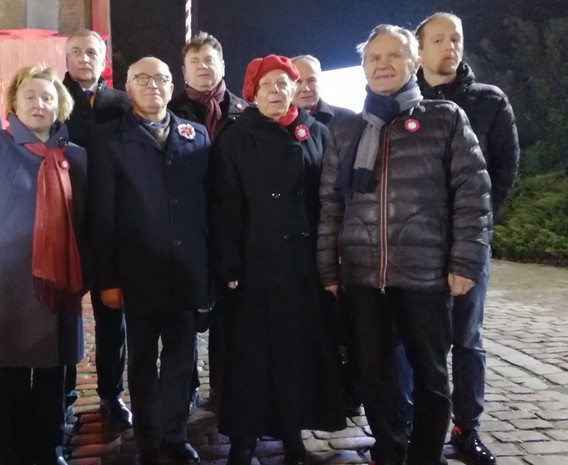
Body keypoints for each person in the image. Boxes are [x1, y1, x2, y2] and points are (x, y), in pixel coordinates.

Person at [316, 25, 492, 465]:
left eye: (393, 55)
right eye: (373, 58)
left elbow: (473, 193)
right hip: (362, 276)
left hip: (425, 275)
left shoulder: (445, 118)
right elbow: (331, 204)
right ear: (363, 68)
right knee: (372, 374)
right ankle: (390, 450)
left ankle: (425, 456)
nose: (383, 65)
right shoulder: (346, 129)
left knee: (431, 376)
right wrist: (329, 268)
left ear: (413, 63)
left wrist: (465, 261)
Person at [209, 54, 345, 465]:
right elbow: (224, 204)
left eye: (283, 84)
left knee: (294, 354)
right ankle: (244, 439)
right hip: (255, 264)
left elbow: (330, 200)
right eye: (266, 85)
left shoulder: (316, 132)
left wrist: (330, 260)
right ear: (252, 92)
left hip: (302, 266)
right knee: (250, 356)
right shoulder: (236, 136)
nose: (275, 91)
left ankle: (292, 433)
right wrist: (229, 263)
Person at [0, 66, 87, 465]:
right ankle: (13, 451)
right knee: (8, 375)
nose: (38, 104)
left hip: (57, 285)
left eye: (47, 97)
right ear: (13, 102)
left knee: (52, 372)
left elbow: (86, 223)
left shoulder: (75, 155)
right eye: (29, 95)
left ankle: (49, 447)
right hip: (4, 284)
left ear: (60, 105)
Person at [89, 56, 210, 465]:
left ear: (172, 86)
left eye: (161, 78)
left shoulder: (196, 134)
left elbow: (208, 205)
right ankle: (148, 437)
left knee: (181, 361)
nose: (153, 85)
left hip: (186, 271)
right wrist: (107, 278)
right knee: (140, 362)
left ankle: (175, 434)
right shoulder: (108, 139)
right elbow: (101, 214)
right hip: (136, 273)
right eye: (142, 78)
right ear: (128, 88)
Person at [412, 13, 518, 465]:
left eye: (455, 38)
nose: (449, 46)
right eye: (438, 40)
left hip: (469, 242)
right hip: (416, 243)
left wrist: (475, 226)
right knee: (415, 339)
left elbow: (504, 170)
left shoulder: (489, 101)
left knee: (467, 339)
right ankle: (416, 424)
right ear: (420, 50)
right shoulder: (404, 99)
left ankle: (466, 426)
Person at [167, 30, 247, 413]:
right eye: (194, 61)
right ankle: (187, 388)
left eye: (209, 60)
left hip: (233, 229)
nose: (203, 67)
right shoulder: (170, 112)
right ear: (183, 70)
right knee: (184, 316)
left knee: (230, 316)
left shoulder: (245, 113)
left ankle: (225, 387)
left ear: (222, 65)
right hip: (188, 229)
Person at [62, 28, 133, 429]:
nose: (84, 58)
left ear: (103, 58)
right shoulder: (53, 97)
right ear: (66, 58)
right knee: (63, 317)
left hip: (109, 225)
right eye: (76, 51)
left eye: (91, 52)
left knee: (111, 318)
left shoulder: (122, 103)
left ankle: (111, 394)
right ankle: (64, 397)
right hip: (64, 222)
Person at [291, 54, 361, 418]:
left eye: (312, 80)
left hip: (341, 236)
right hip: (302, 240)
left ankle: (348, 389)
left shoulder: (347, 120)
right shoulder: (279, 124)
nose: (306, 87)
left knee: (344, 323)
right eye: (298, 80)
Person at [291, 55, 356, 129]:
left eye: (311, 80)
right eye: (297, 82)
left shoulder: (348, 118)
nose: (305, 89)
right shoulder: (279, 124)